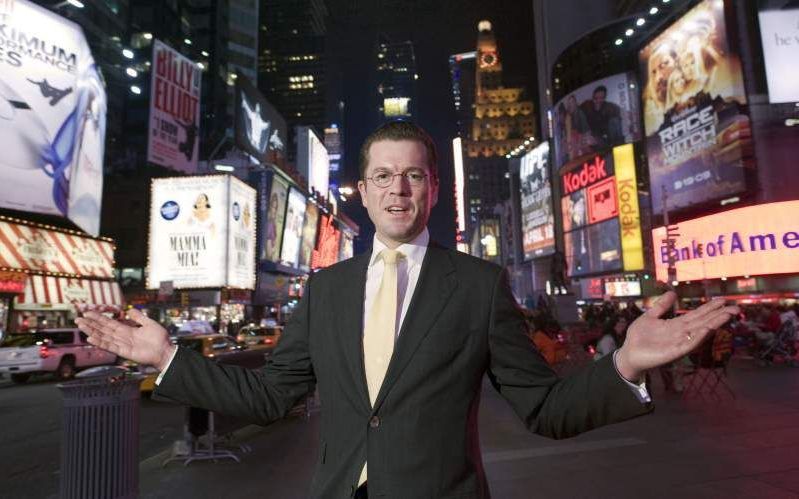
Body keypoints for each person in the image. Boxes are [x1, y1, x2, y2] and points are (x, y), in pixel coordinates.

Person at [76, 122, 738, 498]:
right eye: (384, 176)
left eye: (413, 174)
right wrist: (166, 357)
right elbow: (273, 395)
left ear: (433, 188)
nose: (398, 188)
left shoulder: (478, 285)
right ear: (362, 190)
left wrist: (623, 362)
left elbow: (542, 407)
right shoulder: (327, 289)